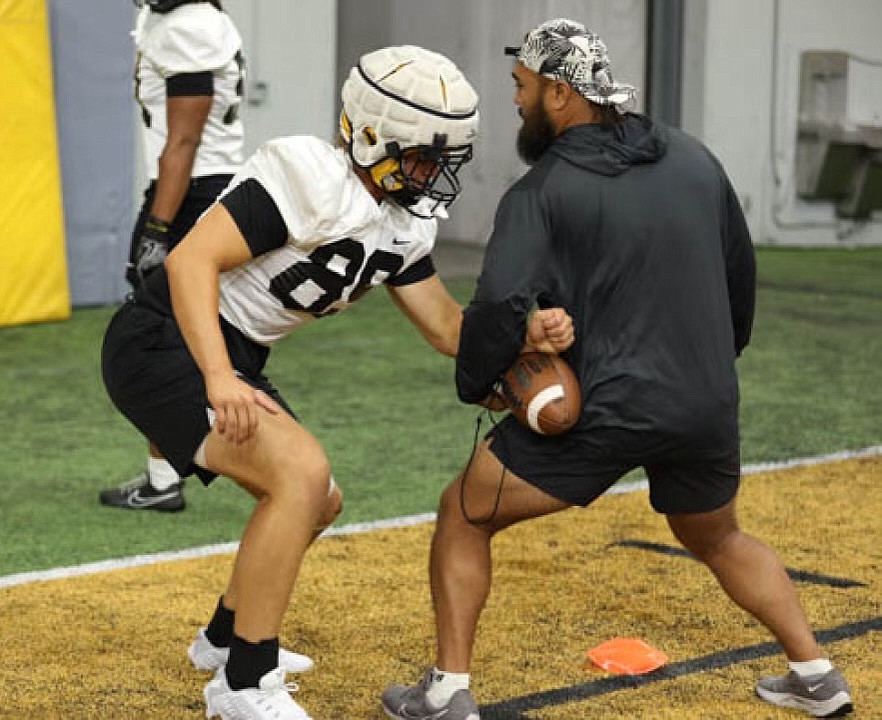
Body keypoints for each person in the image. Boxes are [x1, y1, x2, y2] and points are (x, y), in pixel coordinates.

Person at [382, 18, 853, 720]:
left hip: (604, 409)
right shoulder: (695, 158)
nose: (514, 100)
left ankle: (447, 693)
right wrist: (713, 368)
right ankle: (816, 675)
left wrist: (484, 382)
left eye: (522, 86)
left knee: (462, 514)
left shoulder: (539, 191)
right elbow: (739, 276)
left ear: (561, 94)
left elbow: (501, 302)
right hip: (703, 400)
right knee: (717, 534)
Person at [101, 44, 574, 720]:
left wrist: (521, 336)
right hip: (164, 340)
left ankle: (223, 639)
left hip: (228, 352)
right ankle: (242, 686)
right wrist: (216, 378)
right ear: (373, 134)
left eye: (443, 160)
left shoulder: (401, 216)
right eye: (421, 156)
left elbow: (445, 326)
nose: (433, 174)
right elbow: (188, 263)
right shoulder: (309, 176)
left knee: (320, 497)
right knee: (299, 472)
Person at [100, 0, 245, 512]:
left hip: (192, 194)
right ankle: (163, 476)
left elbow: (184, 140)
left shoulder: (190, 25)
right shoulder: (171, 18)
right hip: (190, 189)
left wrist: (158, 229)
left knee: (155, 343)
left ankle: (174, 477)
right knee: (165, 337)